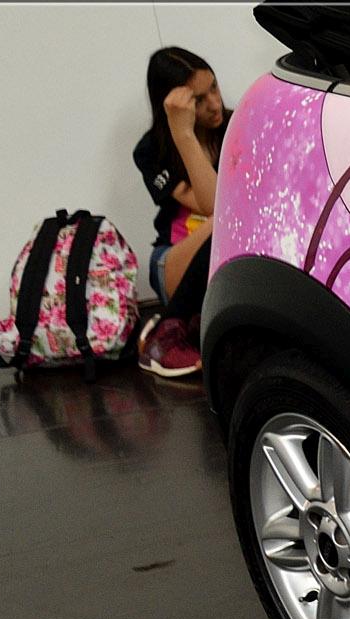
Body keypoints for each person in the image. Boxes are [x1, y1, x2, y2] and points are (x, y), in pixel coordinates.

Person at [131, 47, 229, 378]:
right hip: (174, 260)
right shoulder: (151, 150)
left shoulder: (237, 125)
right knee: (228, 219)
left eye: (214, 87)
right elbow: (215, 204)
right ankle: (166, 332)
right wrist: (184, 134)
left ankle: (196, 323)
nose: (214, 104)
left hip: (226, 260)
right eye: (199, 100)